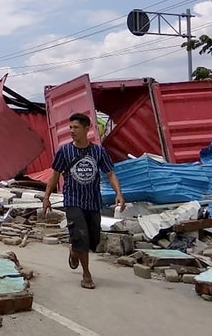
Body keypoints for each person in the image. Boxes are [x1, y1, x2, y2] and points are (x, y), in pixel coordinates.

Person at [42, 112, 125, 289]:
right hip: (73, 200)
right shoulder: (64, 151)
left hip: (93, 201)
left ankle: (75, 251)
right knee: (81, 235)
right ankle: (86, 274)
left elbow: (110, 173)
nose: (72, 131)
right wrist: (46, 197)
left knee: (93, 239)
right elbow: (54, 175)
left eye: (76, 127)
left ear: (87, 129)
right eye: (70, 127)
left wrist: (119, 193)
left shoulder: (98, 152)